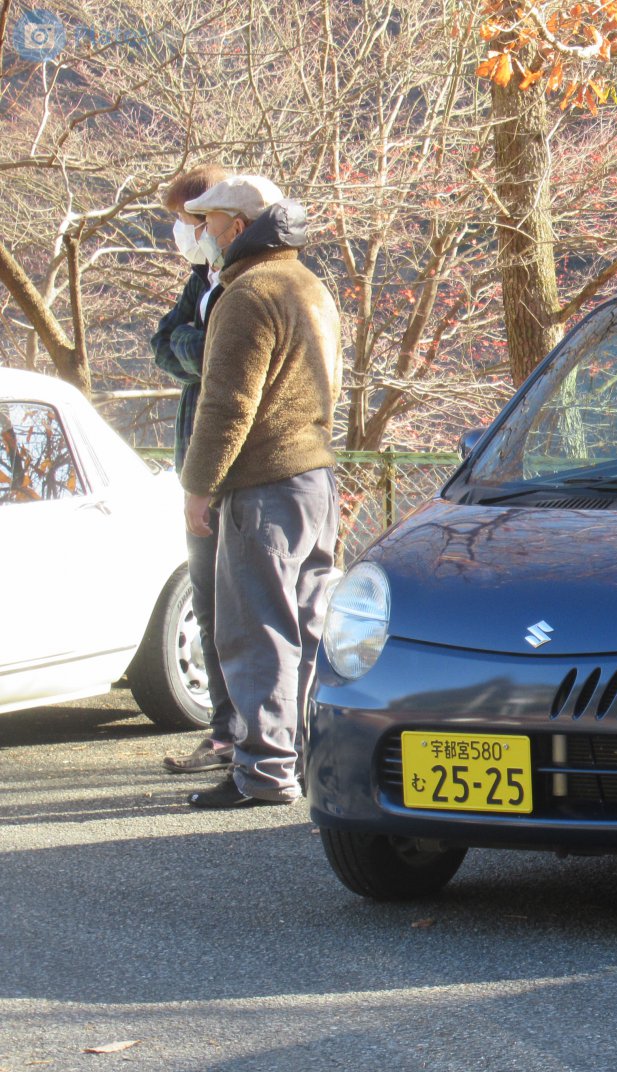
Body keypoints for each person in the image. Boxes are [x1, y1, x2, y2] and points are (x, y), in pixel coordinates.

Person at [179, 175, 342, 809]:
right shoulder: (309, 284)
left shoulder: (248, 293)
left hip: (264, 487)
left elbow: (226, 404)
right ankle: (299, 757)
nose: (203, 235)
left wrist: (198, 487)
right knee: (306, 628)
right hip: (315, 479)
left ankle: (264, 774)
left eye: (211, 223)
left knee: (256, 632)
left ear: (239, 227)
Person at [151, 164, 240, 774]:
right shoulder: (199, 279)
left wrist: (197, 345)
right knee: (209, 607)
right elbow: (165, 343)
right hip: (196, 470)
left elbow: (220, 358)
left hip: (235, 473)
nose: (183, 234)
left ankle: (259, 738)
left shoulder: (245, 281)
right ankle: (224, 731)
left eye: (188, 222)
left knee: (249, 608)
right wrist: (197, 345)